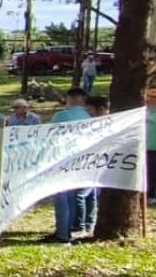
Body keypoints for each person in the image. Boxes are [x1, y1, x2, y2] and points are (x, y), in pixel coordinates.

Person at [42, 88, 91, 245]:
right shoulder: (90, 117)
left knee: (62, 199)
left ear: (69, 99)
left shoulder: (60, 116)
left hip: (62, 160)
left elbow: (51, 137)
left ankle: (63, 233)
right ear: (83, 101)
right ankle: (73, 228)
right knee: (74, 197)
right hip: (82, 161)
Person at [75, 95, 110, 235]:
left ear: (101, 109)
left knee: (80, 194)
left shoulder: (108, 123)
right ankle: (89, 225)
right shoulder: (91, 123)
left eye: (89, 110)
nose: (87, 114)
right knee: (91, 194)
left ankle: (80, 227)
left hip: (97, 163)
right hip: (90, 163)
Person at [147, 89, 156, 207]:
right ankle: (150, 195)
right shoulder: (145, 112)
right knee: (149, 172)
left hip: (154, 147)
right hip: (147, 147)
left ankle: (152, 195)